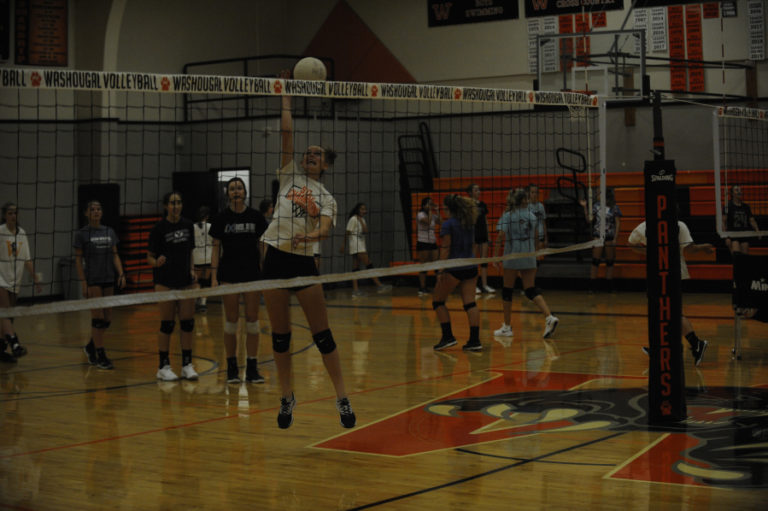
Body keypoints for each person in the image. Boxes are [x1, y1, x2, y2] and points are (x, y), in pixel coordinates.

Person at [259, 88, 355, 429]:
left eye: (317, 154)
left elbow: (326, 229)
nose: (310, 154)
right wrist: (286, 101)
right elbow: (287, 133)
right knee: (280, 337)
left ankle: (342, 397)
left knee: (323, 335)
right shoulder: (289, 175)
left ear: (325, 164)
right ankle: (287, 397)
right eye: (308, 152)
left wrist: (310, 236)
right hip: (274, 261)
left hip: (302, 262)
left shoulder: (327, 198)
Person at [628, 218, 713, 366]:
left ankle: (695, 343)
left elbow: (631, 243)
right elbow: (690, 249)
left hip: (664, 274)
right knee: (665, 312)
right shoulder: (679, 224)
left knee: (670, 313)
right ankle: (664, 348)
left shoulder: (648, 224)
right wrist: (703, 248)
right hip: (674, 273)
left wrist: (650, 251)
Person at [209, 177, 268, 384]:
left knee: (252, 320)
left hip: (252, 274)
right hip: (228, 274)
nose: (236, 192)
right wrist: (214, 277)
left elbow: (263, 246)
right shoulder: (221, 218)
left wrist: (265, 269)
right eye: (232, 189)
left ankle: (252, 367)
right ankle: (231, 367)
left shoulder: (256, 217)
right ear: (228, 193)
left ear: (244, 192)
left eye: (239, 188)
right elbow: (216, 248)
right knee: (231, 321)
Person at [493, 188, 559, 339]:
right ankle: (549, 317)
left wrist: (496, 257)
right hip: (529, 256)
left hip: (512, 256)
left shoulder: (507, 215)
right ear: (525, 200)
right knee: (530, 290)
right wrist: (534, 254)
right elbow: (536, 237)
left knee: (507, 290)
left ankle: (507, 327)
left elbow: (500, 237)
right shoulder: (531, 216)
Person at [147, 191, 199, 381]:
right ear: (165, 206)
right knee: (167, 324)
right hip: (165, 282)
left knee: (187, 324)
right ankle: (163, 366)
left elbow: (190, 252)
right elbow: (149, 257)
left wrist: (193, 270)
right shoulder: (159, 228)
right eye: (172, 203)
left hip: (185, 281)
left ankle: (187, 365)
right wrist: (156, 262)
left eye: (178, 202)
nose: (175, 206)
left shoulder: (188, 225)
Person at [74, 200, 126, 370]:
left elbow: (115, 255)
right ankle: (100, 354)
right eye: (92, 209)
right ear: (86, 213)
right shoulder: (82, 234)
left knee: (108, 319)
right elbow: (78, 259)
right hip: (93, 280)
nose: (96, 212)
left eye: (98, 209)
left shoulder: (109, 231)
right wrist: (83, 282)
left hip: (108, 278)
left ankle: (90, 347)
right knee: (98, 319)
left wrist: (121, 273)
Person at [432, 194, 482, 352]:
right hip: (470, 265)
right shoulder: (469, 222)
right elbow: (474, 245)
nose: (443, 211)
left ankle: (448, 337)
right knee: (470, 303)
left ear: (449, 209)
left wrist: (440, 270)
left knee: (438, 301)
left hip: (454, 267)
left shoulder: (448, 225)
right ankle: (475, 341)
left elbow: (445, 248)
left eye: (444, 208)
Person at [0, 203, 41, 363]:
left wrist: (35, 278)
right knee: (5, 311)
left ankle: (1, 350)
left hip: (15, 280)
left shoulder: (21, 233)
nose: (13, 216)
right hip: (1, 279)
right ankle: (15, 343)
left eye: (15, 213)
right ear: (4, 215)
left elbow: (26, 259)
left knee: (7, 317)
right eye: (10, 213)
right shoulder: (1, 232)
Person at [340, 202, 391, 297]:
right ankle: (379, 285)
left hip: (361, 245)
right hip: (356, 245)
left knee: (356, 268)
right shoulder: (353, 219)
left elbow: (365, 231)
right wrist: (343, 245)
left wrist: (361, 221)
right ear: (357, 209)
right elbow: (347, 232)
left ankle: (355, 291)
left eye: (365, 209)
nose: (364, 211)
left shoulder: (361, 219)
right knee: (369, 264)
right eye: (362, 209)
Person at [579, 188, 622, 292]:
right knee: (595, 261)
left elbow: (618, 223)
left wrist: (615, 238)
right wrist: (585, 207)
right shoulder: (596, 206)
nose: (597, 194)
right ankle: (592, 286)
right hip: (598, 236)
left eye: (599, 193)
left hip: (609, 237)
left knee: (610, 261)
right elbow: (589, 220)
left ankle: (609, 285)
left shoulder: (614, 207)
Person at [467, 184, 494, 294]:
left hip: (483, 234)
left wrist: (488, 235)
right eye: (476, 190)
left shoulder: (482, 204)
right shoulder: (468, 204)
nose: (479, 192)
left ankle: (484, 285)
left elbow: (486, 220)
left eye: (479, 189)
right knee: (473, 261)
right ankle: (473, 285)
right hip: (474, 235)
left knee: (484, 261)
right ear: (470, 192)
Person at [724, 184, 760, 254]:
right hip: (733, 235)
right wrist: (726, 237)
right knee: (737, 257)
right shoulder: (728, 206)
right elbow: (724, 222)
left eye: (740, 190)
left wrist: (758, 231)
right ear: (732, 193)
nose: (739, 192)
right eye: (737, 190)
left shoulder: (746, 206)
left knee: (744, 258)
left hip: (744, 234)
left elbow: (751, 220)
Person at [416, 197, 440, 296]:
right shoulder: (420, 214)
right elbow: (428, 222)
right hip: (423, 242)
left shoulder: (433, 216)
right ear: (423, 205)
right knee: (424, 265)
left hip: (432, 242)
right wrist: (430, 210)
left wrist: (437, 211)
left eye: (431, 204)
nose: (430, 206)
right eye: (428, 204)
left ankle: (439, 287)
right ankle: (422, 287)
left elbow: (441, 222)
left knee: (437, 265)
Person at [192, 206, 213, 312]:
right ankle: (203, 304)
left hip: (197, 259)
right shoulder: (211, 227)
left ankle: (196, 301)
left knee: (197, 281)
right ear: (207, 216)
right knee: (206, 282)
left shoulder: (192, 227)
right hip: (208, 258)